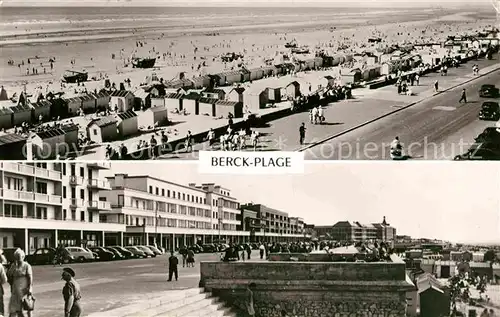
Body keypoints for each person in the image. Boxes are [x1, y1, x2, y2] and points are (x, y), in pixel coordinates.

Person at [7, 249, 33, 317]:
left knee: (23, 309)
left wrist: (30, 289)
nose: (18, 259)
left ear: (23, 257)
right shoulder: (13, 266)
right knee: (13, 309)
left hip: (23, 290)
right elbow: (9, 275)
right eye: (16, 257)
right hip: (15, 290)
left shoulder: (27, 266)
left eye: (19, 257)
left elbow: (30, 278)